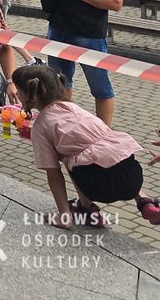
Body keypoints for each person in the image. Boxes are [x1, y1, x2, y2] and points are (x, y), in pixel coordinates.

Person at [13, 65, 160, 228]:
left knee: (72, 157)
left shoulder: (41, 126)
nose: (16, 93)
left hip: (101, 187)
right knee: (97, 151)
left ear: (29, 95)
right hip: (133, 178)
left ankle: (86, 210)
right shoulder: (74, 108)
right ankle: (145, 201)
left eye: (18, 90)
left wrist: (63, 215)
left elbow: (54, 175)